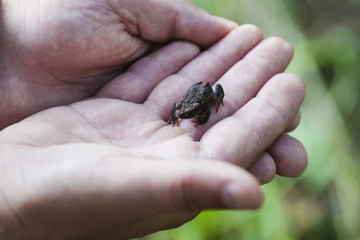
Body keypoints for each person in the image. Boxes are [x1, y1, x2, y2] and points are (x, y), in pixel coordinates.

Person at [0, 0, 307, 239]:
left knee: (216, 97)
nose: (185, 117)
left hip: (203, 93)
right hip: (191, 94)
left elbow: (199, 106)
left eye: (187, 115)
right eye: (184, 115)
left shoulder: (199, 108)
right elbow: (178, 107)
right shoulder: (182, 110)